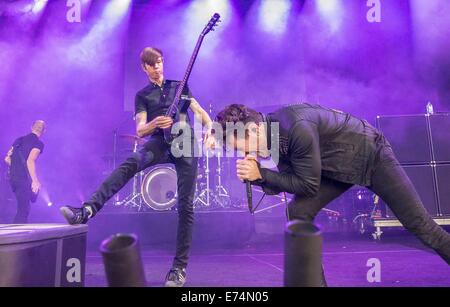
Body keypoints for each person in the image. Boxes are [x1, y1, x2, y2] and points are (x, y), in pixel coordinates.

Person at [215, 103, 450, 284]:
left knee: (421, 226)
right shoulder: (272, 135)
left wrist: (261, 175)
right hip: (336, 170)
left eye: (240, 146)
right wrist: (256, 177)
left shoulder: (296, 127)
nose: (243, 152)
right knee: (298, 210)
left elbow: (307, 185)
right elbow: (288, 181)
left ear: (254, 129)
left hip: (371, 157)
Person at [60, 47, 213, 287]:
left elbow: (202, 113)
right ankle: (87, 211)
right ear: (144, 68)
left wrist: (211, 131)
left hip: (186, 146)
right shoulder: (143, 95)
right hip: (159, 142)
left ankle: (179, 269)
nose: (158, 67)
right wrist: (154, 123)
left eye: (160, 62)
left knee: (185, 205)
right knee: (130, 163)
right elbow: (141, 129)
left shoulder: (180, 86)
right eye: (152, 64)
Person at [4, 120, 45, 223]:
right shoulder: (38, 143)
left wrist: (16, 169)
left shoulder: (19, 140)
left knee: (20, 207)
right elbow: (30, 161)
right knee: (23, 210)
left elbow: (7, 159)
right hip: (22, 179)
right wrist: (35, 181)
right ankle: (16, 238)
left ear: (31, 127)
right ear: (44, 131)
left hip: (12, 178)